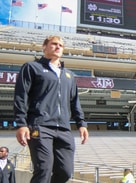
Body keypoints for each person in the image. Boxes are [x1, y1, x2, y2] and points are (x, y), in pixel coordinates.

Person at [13, 35, 89, 183]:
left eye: (61, 45)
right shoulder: (32, 68)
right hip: (40, 126)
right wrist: (21, 124)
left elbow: (74, 101)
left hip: (64, 129)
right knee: (43, 169)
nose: (58, 47)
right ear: (44, 47)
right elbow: (21, 96)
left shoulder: (69, 75)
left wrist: (82, 124)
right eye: (54, 44)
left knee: (65, 172)